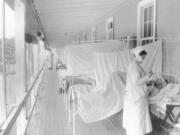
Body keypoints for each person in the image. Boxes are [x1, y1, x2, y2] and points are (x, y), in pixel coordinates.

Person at [123, 46, 153, 135]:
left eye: (144, 57)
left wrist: (147, 76)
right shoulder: (133, 66)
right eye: (142, 57)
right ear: (136, 56)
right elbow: (136, 82)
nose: (143, 59)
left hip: (137, 95)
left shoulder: (136, 65)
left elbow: (140, 78)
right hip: (135, 97)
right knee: (137, 118)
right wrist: (148, 77)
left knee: (138, 118)